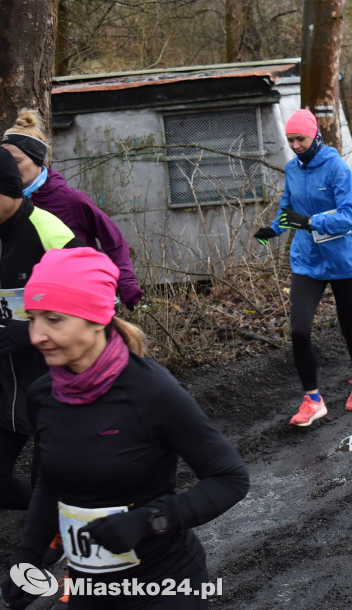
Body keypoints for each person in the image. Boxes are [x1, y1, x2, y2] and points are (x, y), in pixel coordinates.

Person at [1, 246, 249, 610]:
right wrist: (28, 558)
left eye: (54, 320)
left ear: (96, 319)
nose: (36, 335)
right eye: (33, 318)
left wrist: (151, 521)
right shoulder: (43, 395)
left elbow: (230, 479)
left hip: (164, 588)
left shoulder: (153, 391)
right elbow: (50, 483)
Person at [254, 109, 352, 425]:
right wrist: (274, 229)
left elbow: (348, 217)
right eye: (290, 139)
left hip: (342, 261)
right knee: (299, 330)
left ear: (315, 136)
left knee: (350, 328)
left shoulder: (337, 169)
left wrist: (310, 222)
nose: (294, 145)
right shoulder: (292, 169)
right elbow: (287, 207)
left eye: (300, 139)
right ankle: (313, 399)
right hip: (306, 261)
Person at [0, 150, 81, 516]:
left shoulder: (50, 231)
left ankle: (51, 541)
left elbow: (97, 303)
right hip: (5, 382)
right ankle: (46, 519)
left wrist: (32, 326)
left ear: (10, 190)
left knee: (45, 479)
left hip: (52, 378)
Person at [2, 110, 143, 309]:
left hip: (79, 299)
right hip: (32, 304)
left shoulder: (68, 199)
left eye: (17, 161)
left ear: (37, 160)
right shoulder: (6, 206)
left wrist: (126, 283)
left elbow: (114, 239)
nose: (9, 169)